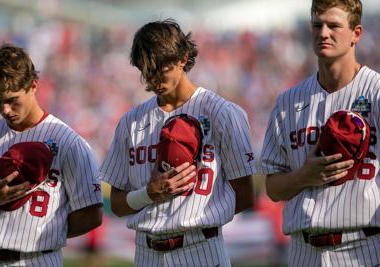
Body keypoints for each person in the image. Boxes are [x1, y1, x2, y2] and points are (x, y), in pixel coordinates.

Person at [100, 19, 255, 267]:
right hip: (147, 252)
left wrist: (195, 215)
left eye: (160, 67)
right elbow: (117, 204)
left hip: (201, 249)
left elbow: (245, 195)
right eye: (146, 70)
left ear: (182, 58)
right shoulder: (130, 122)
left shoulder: (223, 113)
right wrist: (148, 195)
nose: (152, 78)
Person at [260, 0, 380, 266]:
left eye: (334, 25)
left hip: (363, 248)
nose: (323, 33)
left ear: (356, 34)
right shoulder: (287, 102)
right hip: (305, 252)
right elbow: (273, 188)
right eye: (317, 25)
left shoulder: (376, 92)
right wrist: (304, 176)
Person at [0, 44, 103, 266]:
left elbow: (91, 214)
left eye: (11, 99)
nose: (5, 109)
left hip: (38, 259)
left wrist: (44, 235)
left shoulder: (70, 143)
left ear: (33, 85)